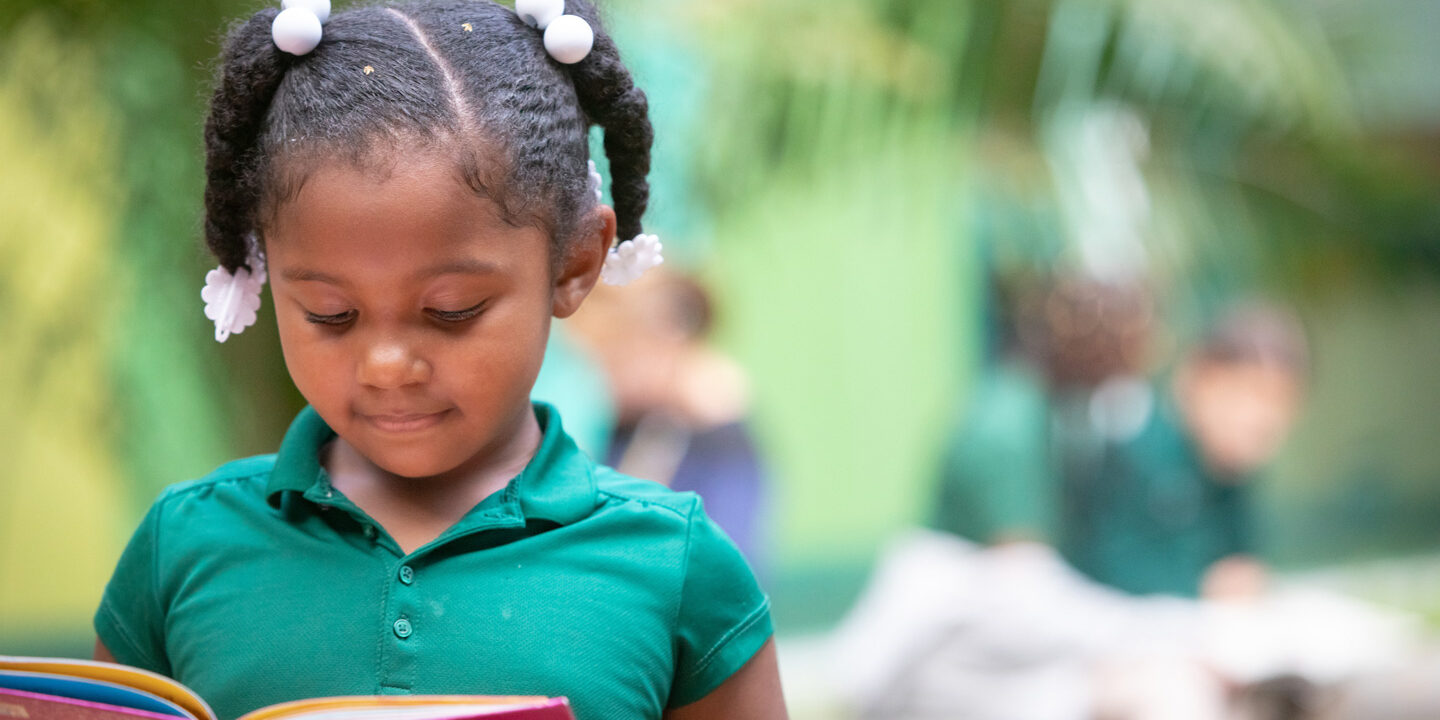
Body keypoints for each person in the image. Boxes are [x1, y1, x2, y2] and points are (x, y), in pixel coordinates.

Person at [91, 3, 785, 719]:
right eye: (330, 315)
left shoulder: (673, 564)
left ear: (576, 262)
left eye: (451, 311)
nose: (388, 365)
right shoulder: (184, 547)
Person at [567, 269, 771, 571]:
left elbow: (719, 576)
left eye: (616, 357)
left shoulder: (720, 448)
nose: (602, 376)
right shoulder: (632, 429)